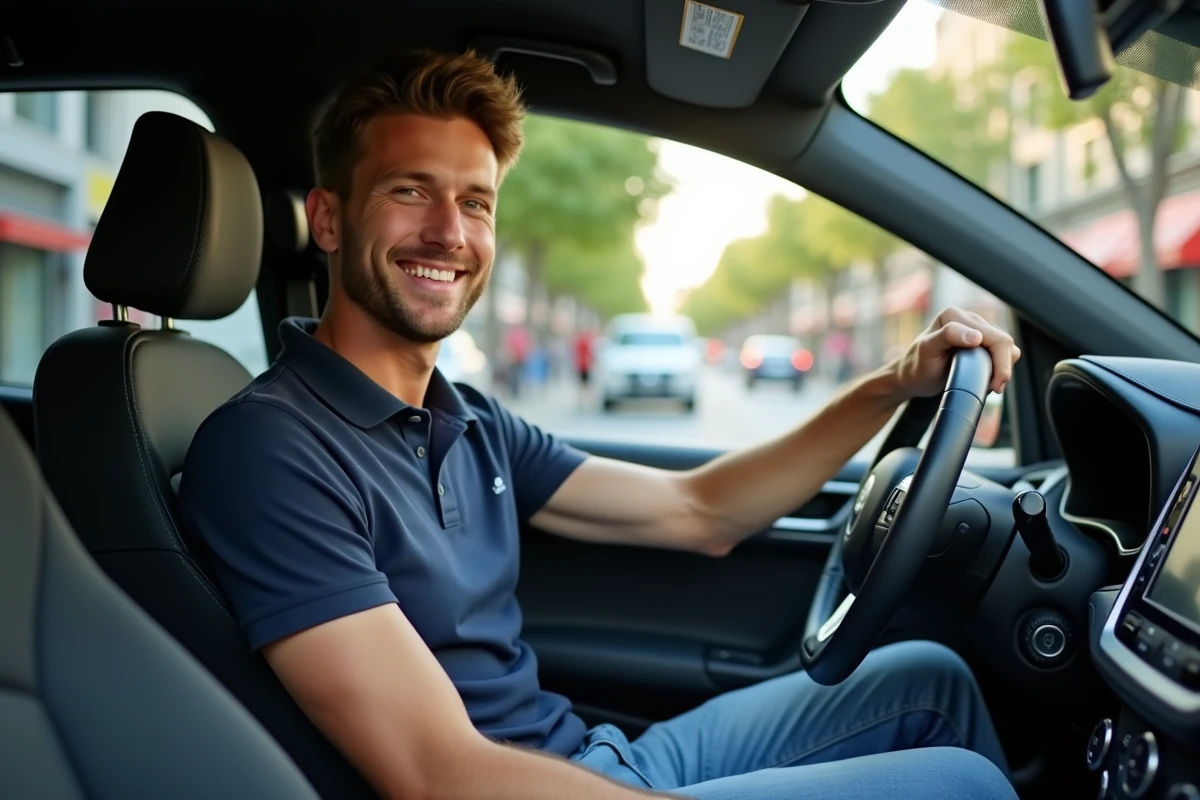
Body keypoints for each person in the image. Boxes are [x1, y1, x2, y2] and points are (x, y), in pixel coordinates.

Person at [179, 49, 1022, 800]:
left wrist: (892, 383)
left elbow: (699, 510)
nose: (449, 232)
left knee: (929, 681)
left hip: (593, 762)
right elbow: (436, 774)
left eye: (476, 202)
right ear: (329, 218)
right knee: (961, 787)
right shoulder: (268, 449)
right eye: (410, 190)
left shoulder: (469, 420)